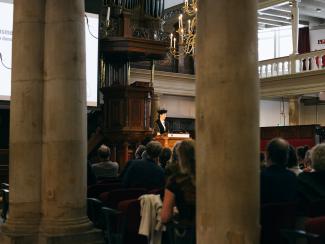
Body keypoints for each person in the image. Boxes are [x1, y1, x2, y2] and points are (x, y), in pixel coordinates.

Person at [161, 139, 196, 244]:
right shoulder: (207, 178)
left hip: (186, 232)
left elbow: (165, 217)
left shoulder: (176, 181)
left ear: (180, 157)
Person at [260, 138, 297, 204]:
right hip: (288, 214)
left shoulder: (260, 178)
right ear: (286, 157)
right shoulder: (293, 177)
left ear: (267, 155)